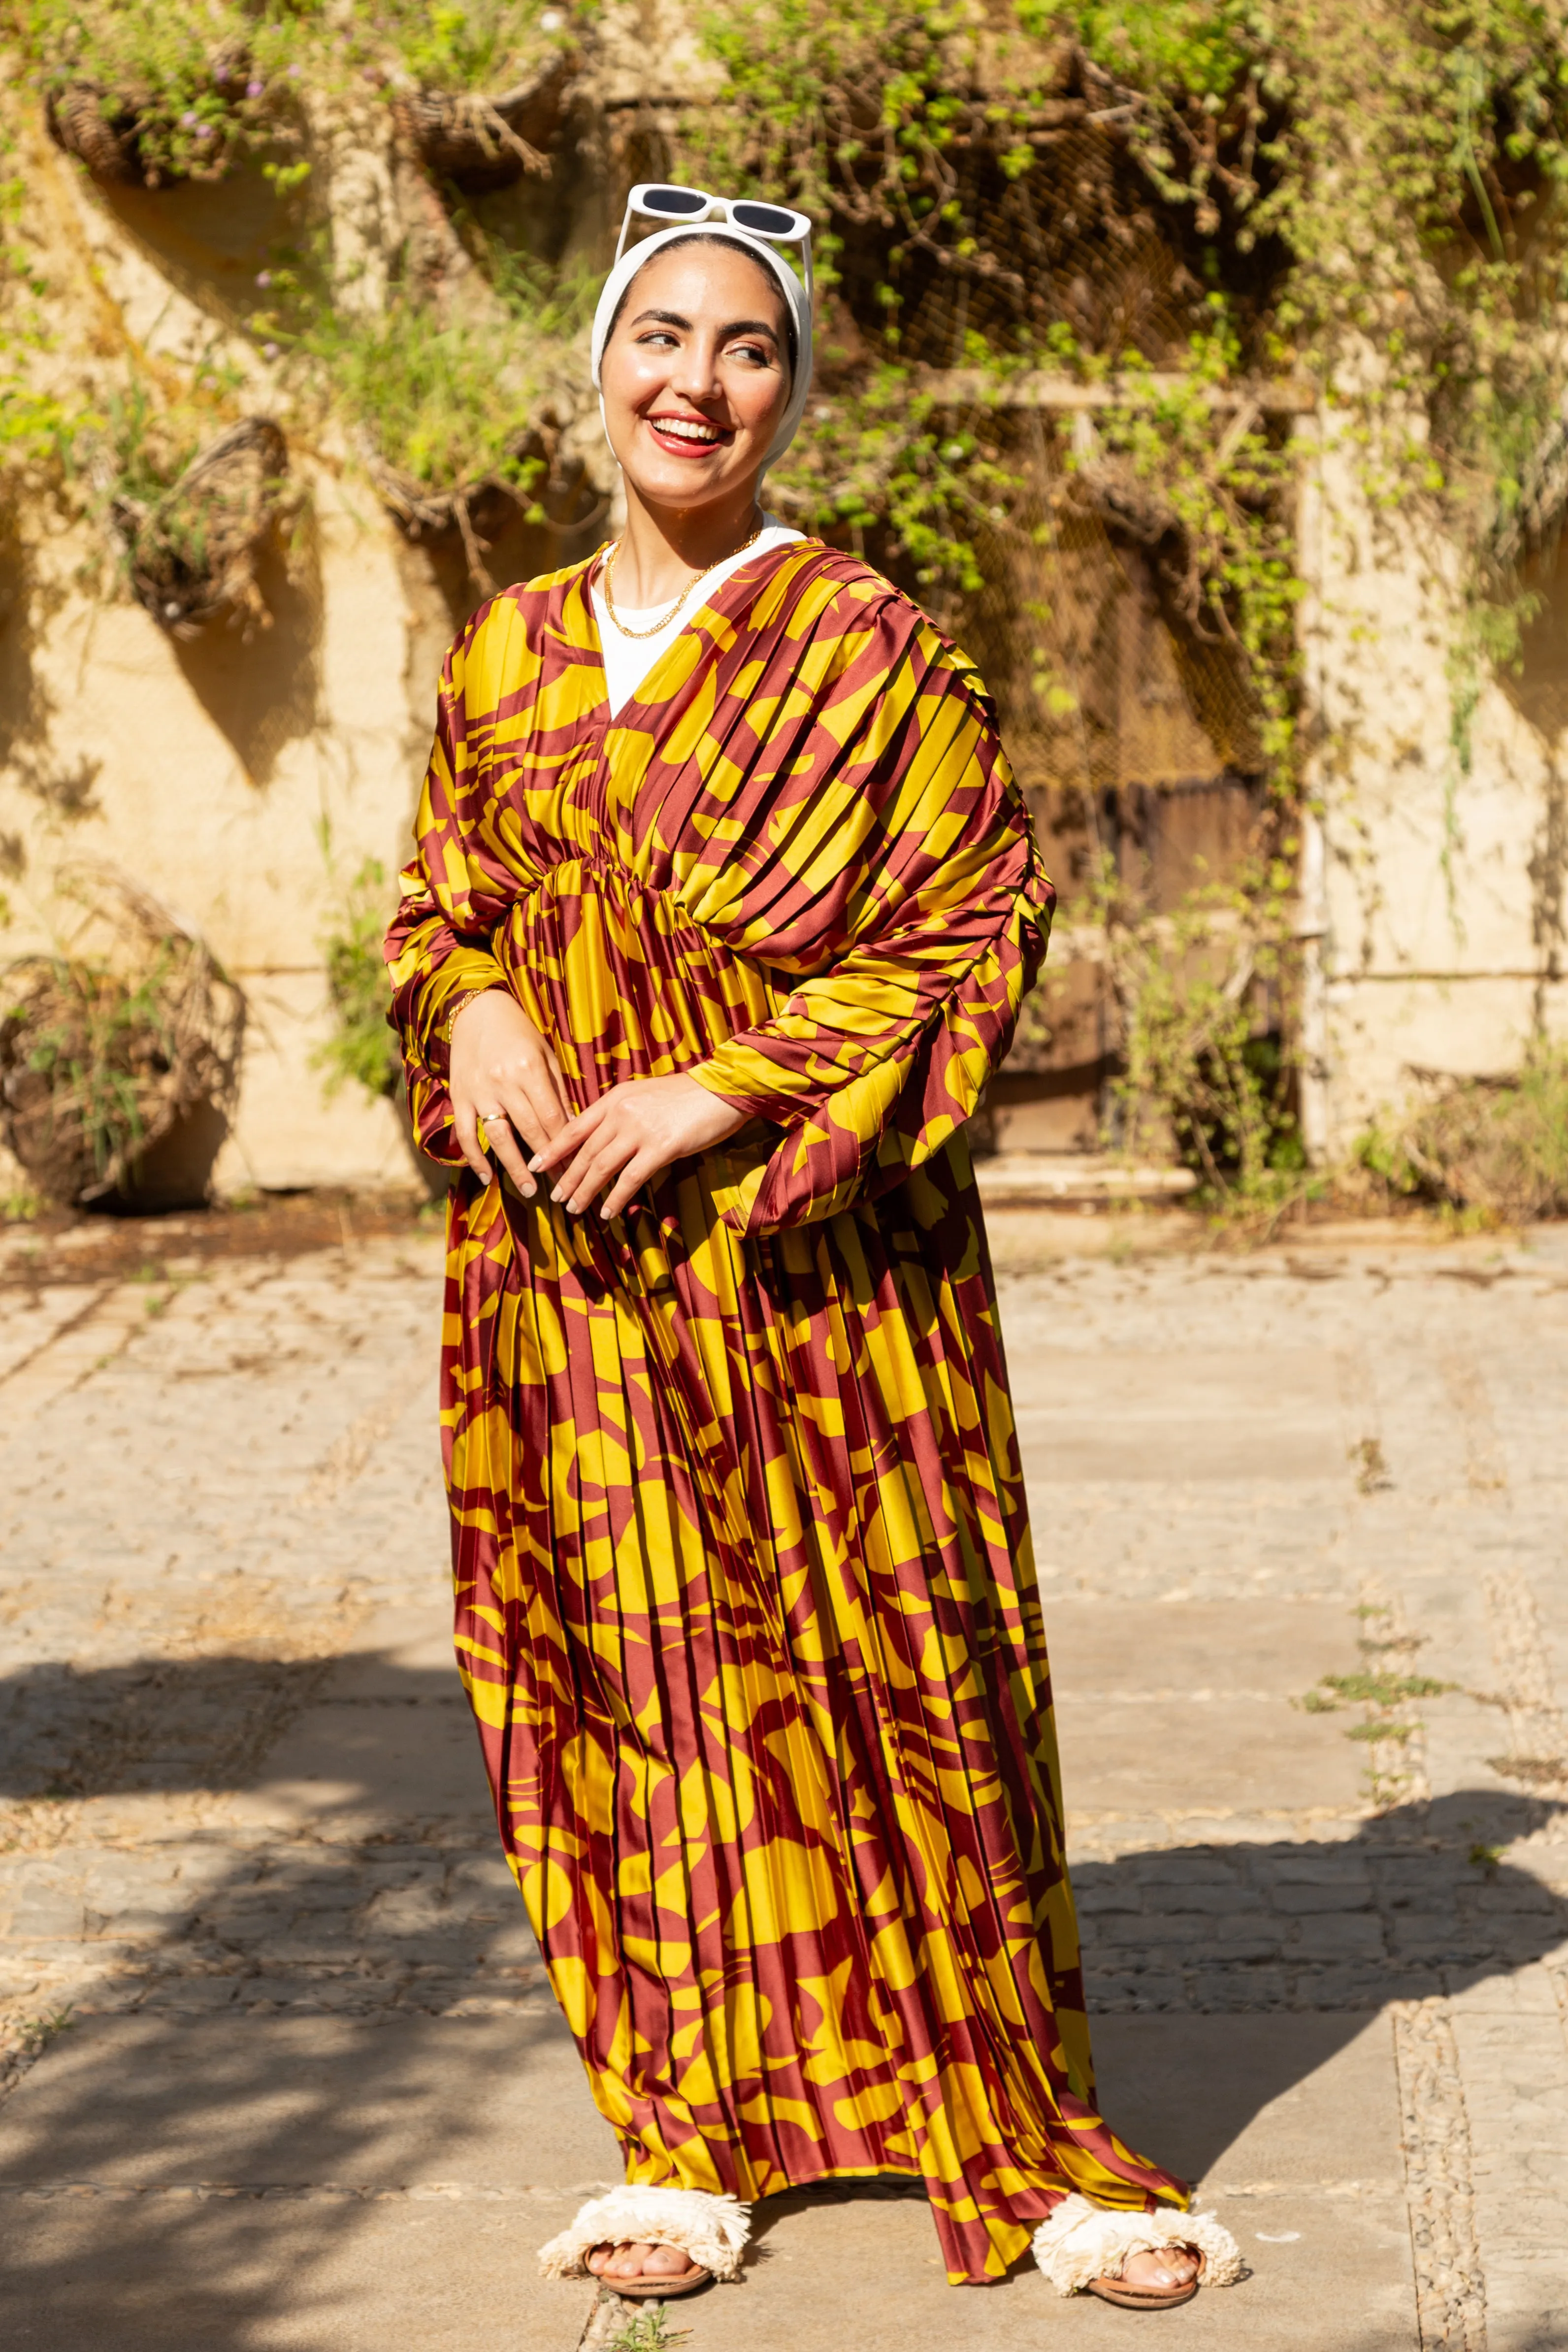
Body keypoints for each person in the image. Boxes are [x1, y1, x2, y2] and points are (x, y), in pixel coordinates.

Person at [385, 186, 1242, 2315]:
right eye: (660, 338)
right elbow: (440, 908)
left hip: (823, 1277)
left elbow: (975, 929)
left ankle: (1020, 2136)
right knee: (633, 1691)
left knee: (902, 1676)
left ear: (791, 389)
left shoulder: (867, 640)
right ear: (598, 367)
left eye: (746, 348)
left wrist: (734, 1089)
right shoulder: (505, 647)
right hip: (567, 1291)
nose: (697, 381)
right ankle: (688, 2135)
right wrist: (477, 1004)